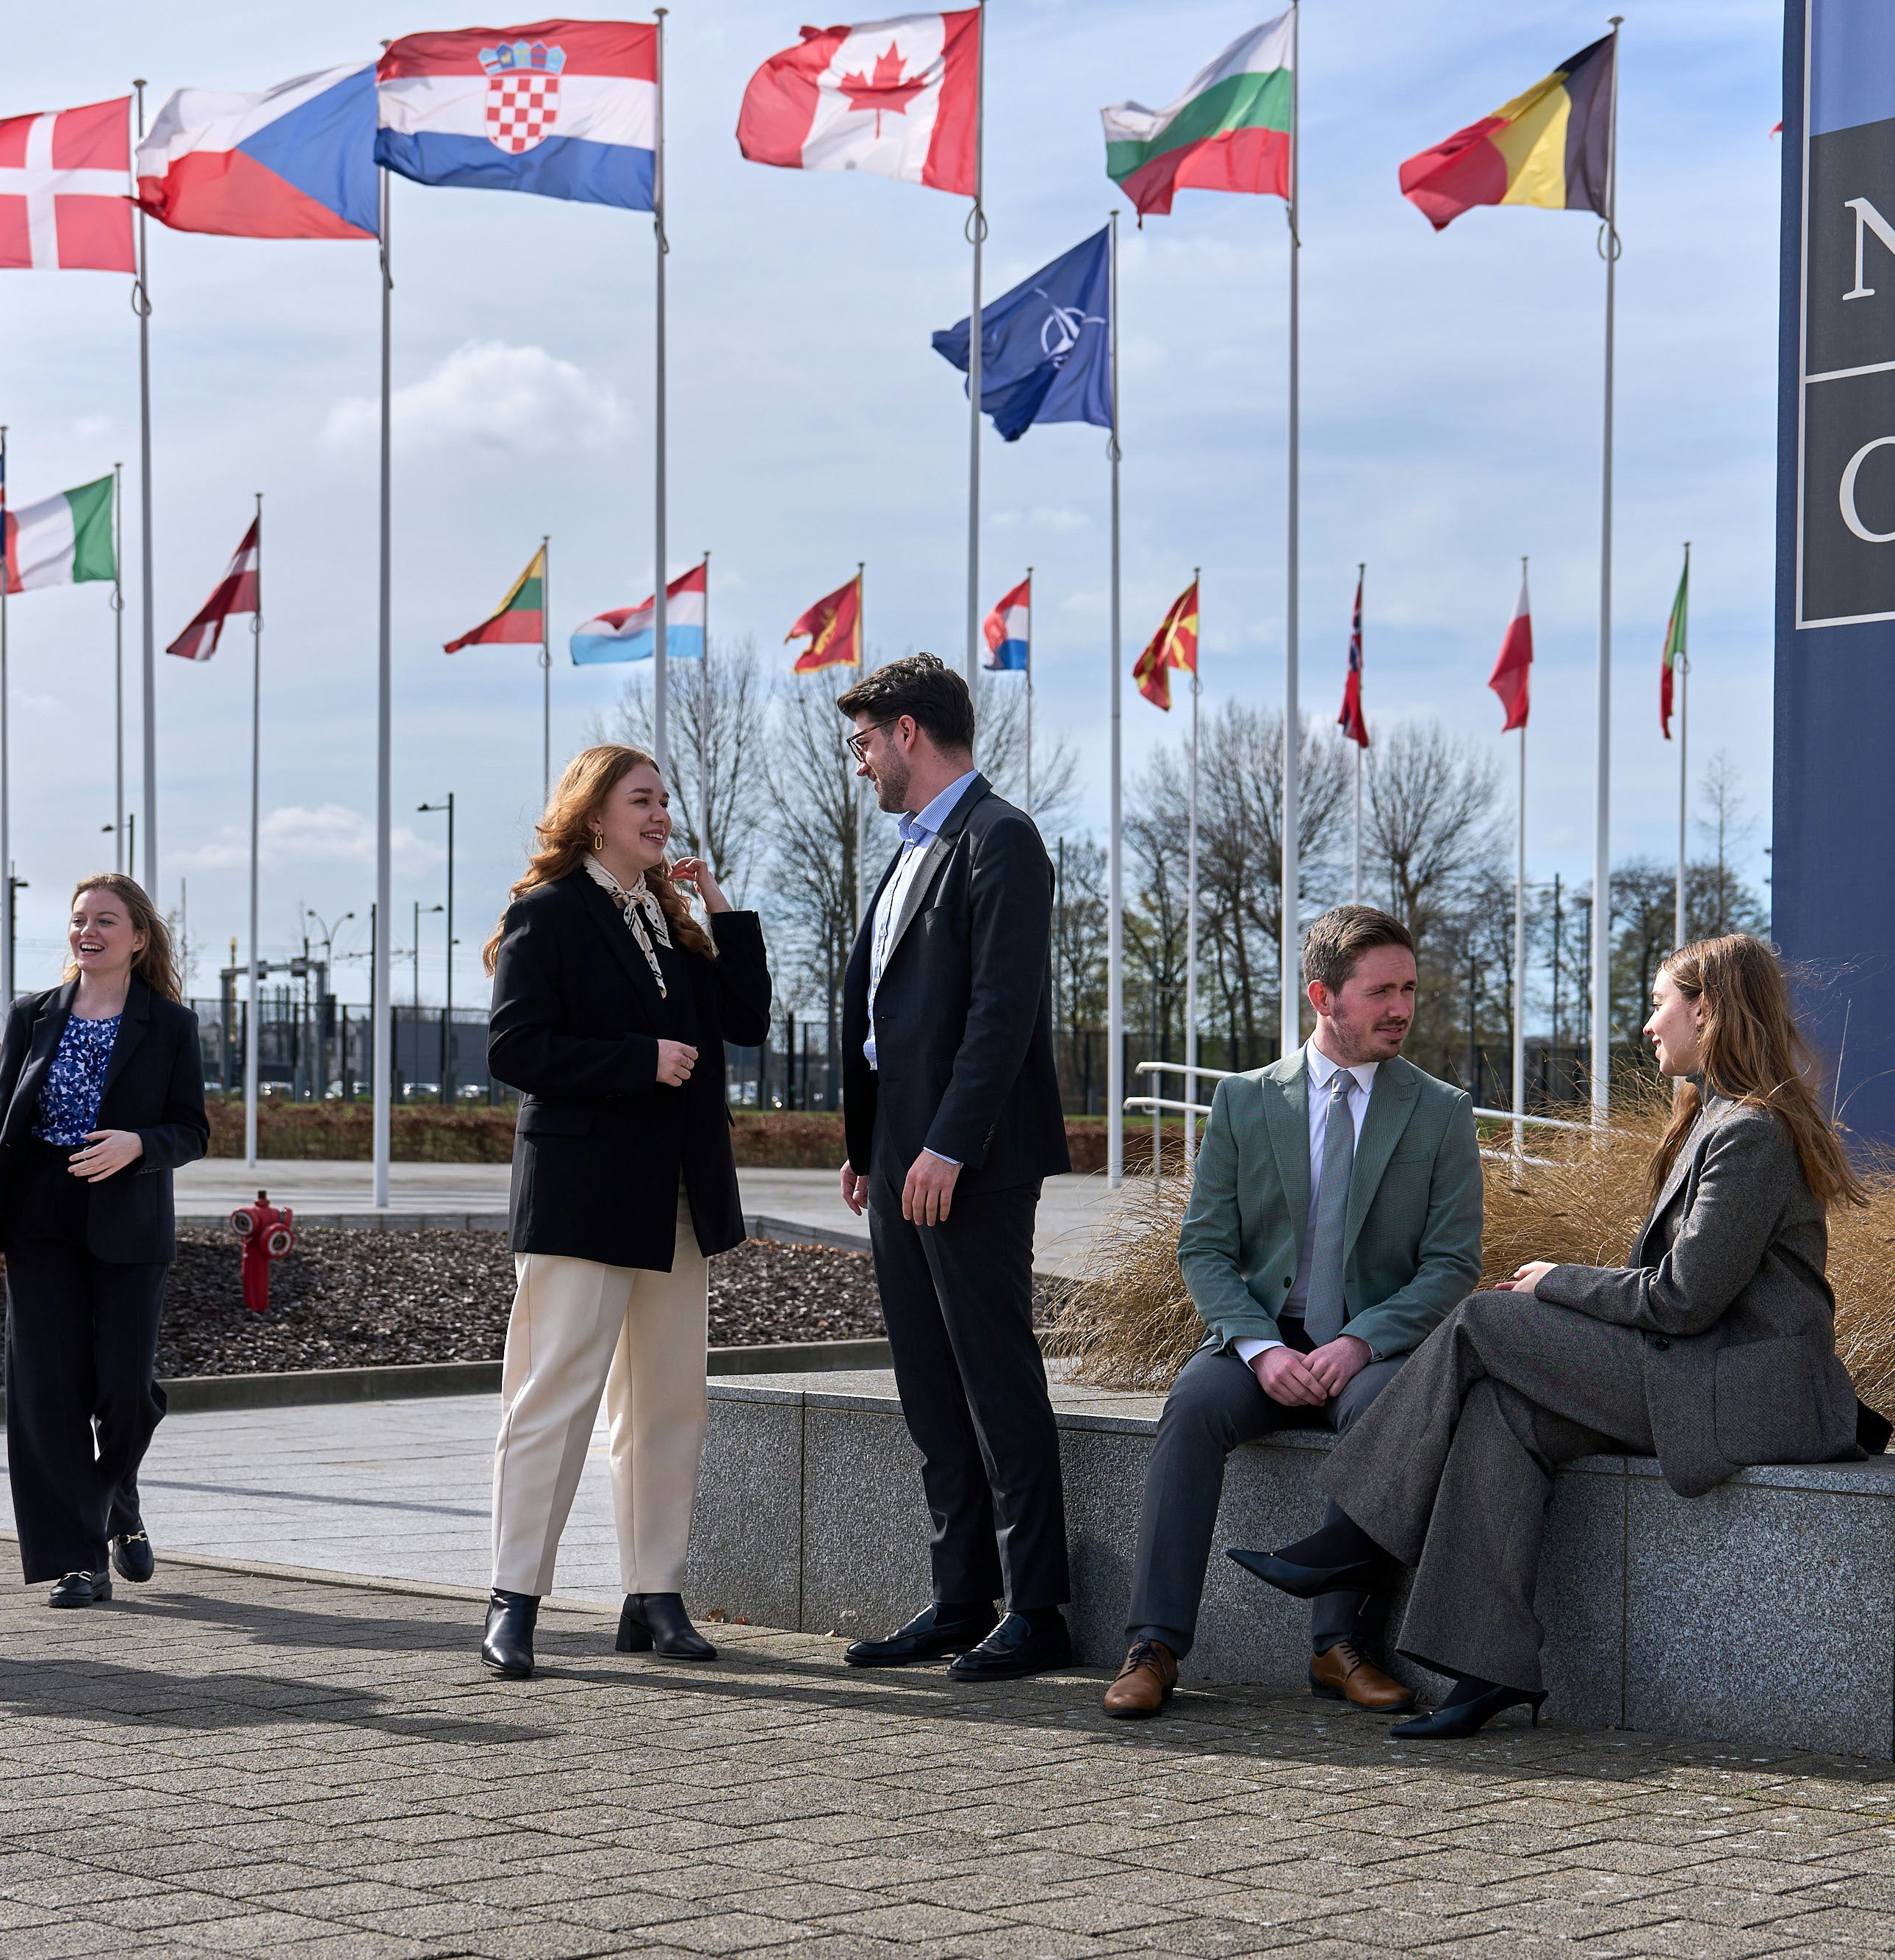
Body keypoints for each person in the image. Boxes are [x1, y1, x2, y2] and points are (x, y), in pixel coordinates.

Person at [1253, 932, 1883, 1738]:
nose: (1648, 1024)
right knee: (1501, 1412)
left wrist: (1556, 1282)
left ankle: (1353, 1538)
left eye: (1659, 1004)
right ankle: (1489, 1667)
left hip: (1746, 1393)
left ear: (1707, 1011)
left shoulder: (1750, 1131)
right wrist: (1568, 1291)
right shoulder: (1716, 1118)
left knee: (1482, 1318)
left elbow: (1683, 1299)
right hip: (1697, 1370)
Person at [1102, 906, 1482, 1720]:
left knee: (1383, 1410)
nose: (1401, 1009)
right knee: (1191, 1407)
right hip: (1262, 1338)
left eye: (1409, 989)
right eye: (1380, 992)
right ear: (1322, 996)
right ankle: (1153, 1645)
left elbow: (1452, 1264)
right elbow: (1205, 1247)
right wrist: (1256, 1347)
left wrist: (1362, 1341)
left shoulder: (1440, 1109)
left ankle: (1338, 1648)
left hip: (1372, 1349)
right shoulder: (1244, 1101)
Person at [478, 744, 772, 1677]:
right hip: (582, 1198)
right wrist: (637, 1060)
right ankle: (513, 1598)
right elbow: (514, 1048)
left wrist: (718, 905)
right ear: (593, 813)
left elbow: (748, 1018)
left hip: (676, 1198)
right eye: (641, 800)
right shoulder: (549, 912)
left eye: (663, 801)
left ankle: (654, 1595)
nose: (660, 815)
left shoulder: (667, 919)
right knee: (553, 1400)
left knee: (667, 1402)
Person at [831, 655, 1078, 1683]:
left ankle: (1039, 1608)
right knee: (928, 1382)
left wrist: (947, 1144)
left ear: (907, 731)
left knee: (993, 1376)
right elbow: (887, 1011)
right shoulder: (911, 851)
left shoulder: (1000, 837)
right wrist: (869, 1143)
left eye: (863, 743)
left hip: (966, 1157)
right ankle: (960, 1596)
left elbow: (1001, 1012)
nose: (859, 764)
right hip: (900, 1151)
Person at [0, 875, 209, 1607]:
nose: (87, 930)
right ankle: (79, 1559)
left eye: (105, 920)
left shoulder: (171, 1024)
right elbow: (1, 1129)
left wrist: (139, 1144)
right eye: (78, 919)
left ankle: (116, 1497)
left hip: (129, 1221)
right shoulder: (32, 1015)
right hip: (39, 1217)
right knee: (49, 1395)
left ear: (138, 938)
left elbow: (192, 1130)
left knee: (126, 1392)